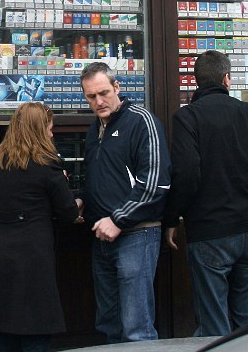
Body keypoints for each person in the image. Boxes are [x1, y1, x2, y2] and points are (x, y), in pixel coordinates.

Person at [162, 50, 248, 337]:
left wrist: (171, 217)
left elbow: (186, 172)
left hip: (209, 231)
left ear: (196, 81)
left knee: (214, 323)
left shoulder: (187, 117)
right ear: (226, 79)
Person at [0, 101, 82, 352]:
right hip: (31, 253)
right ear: (38, 129)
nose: (51, 134)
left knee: (6, 331)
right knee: (35, 328)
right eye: (49, 128)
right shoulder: (47, 163)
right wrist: (78, 200)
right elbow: (67, 213)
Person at [79, 61, 170, 343]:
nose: (99, 101)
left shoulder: (141, 121)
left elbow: (156, 182)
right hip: (101, 237)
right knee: (109, 325)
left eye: (104, 93)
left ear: (117, 87)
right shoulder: (95, 129)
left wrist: (118, 219)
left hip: (136, 234)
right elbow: (98, 175)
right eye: (91, 96)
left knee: (136, 328)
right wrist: (82, 198)